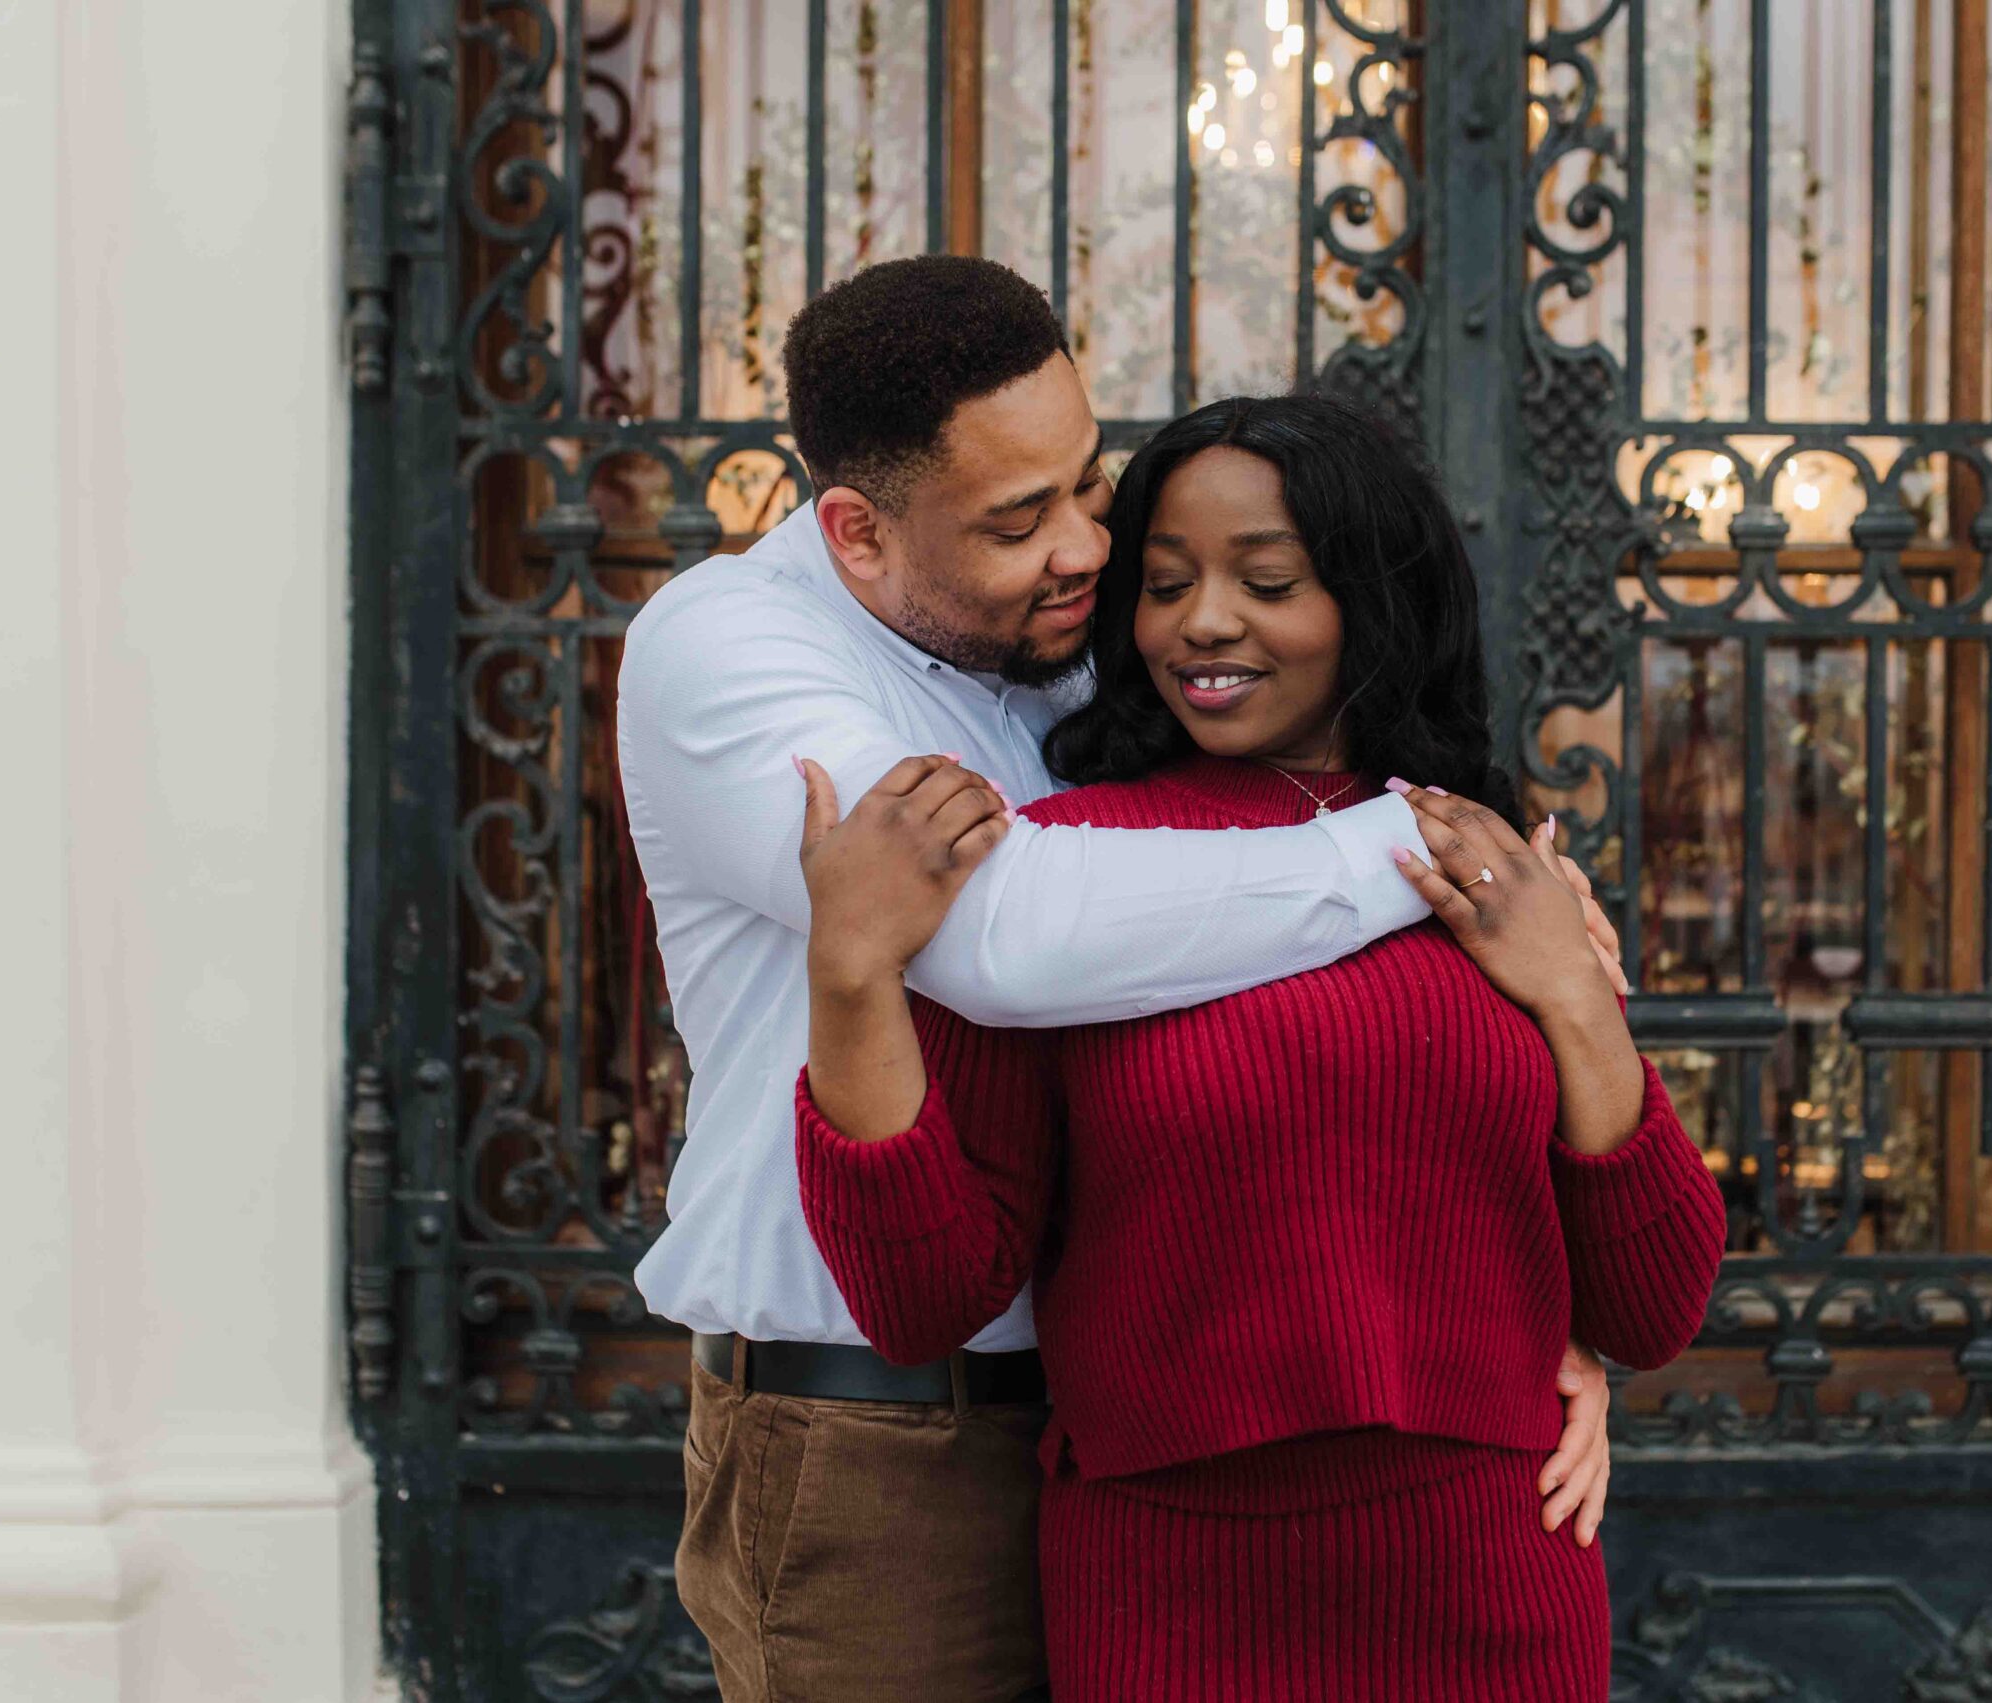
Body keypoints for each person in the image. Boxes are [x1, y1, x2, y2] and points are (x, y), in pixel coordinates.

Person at [616, 257, 1624, 1703]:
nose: (1086, 546)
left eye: (1087, 485)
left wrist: (1546, 1318)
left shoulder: (1073, 639)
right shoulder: (728, 653)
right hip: (883, 1444)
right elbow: (1007, 936)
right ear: (855, 532)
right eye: (1020, 521)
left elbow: (1253, 908)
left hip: (1135, 1443)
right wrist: (1418, 846)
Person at [794, 393, 1728, 1701]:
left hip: (1489, 1584)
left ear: (1368, 598)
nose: (1204, 624)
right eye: (1165, 585)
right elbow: (927, 1297)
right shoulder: (1064, 871)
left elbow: (1653, 1305)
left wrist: (1574, 997)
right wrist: (849, 976)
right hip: (1170, 1593)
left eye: (1268, 579)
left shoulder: (1486, 863)